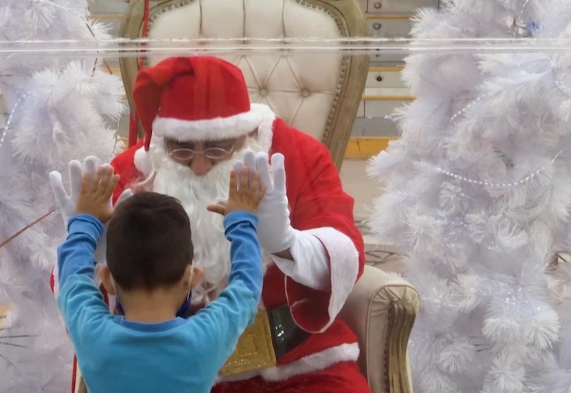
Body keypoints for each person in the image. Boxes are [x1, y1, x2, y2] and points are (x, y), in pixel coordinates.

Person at [52, 55, 370, 393]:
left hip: (296, 364)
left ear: (246, 132)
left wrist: (287, 244)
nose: (200, 165)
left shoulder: (293, 157)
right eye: (182, 148)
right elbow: (246, 288)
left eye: (218, 147)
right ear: (162, 139)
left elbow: (347, 250)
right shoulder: (132, 172)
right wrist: (104, 252)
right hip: (168, 375)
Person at [54, 162, 268, 393]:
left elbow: (73, 277)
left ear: (106, 277)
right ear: (192, 276)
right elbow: (247, 286)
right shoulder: (205, 340)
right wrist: (242, 221)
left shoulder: (91, 334)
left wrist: (85, 221)